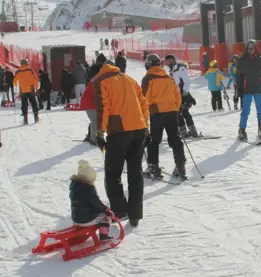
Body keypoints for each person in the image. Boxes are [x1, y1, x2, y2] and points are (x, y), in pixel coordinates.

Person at [93, 60, 149, 227]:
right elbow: (144, 104)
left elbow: (103, 108)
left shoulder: (101, 81)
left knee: (112, 173)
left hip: (119, 131)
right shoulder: (130, 79)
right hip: (138, 129)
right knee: (135, 172)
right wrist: (146, 126)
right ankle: (135, 214)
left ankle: (119, 210)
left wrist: (99, 132)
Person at [141, 54, 187, 181]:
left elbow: (143, 98)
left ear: (148, 65)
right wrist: (175, 108)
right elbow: (177, 95)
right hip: (172, 111)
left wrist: (145, 113)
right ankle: (180, 165)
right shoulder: (168, 78)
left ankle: (153, 167)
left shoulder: (148, 78)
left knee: (154, 141)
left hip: (157, 112)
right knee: (174, 139)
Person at [70, 160, 113, 241]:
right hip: (85, 220)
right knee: (105, 218)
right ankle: (104, 236)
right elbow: (96, 203)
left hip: (76, 219)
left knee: (94, 213)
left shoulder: (75, 186)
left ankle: (81, 234)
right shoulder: (88, 189)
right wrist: (106, 210)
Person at [236, 40, 261, 141]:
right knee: (246, 111)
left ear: (255, 48)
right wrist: (239, 90)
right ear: (246, 49)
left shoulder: (259, 59)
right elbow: (239, 77)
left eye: (252, 48)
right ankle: (242, 130)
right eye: (249, 48)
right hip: (247, 89)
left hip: (258, 87)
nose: (251, 50)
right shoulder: (242, 60)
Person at [164, 55, 198, 138]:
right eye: (168, 62)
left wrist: (186, 93)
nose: (169, 63)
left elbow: (186, 81)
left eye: (171, 61)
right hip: (175, 94)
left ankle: (193, 130)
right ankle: (183, 131)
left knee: (185, 111)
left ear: (174, 60)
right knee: (178, 113)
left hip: (182, 93)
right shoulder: (172, 71)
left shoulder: (180, 68)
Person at [14, 59, 40, 124]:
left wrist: (17, 90)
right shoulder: (30, 70)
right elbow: (35, 79)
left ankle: (25, 119)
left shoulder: (18, 71)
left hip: (23, 90)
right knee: (34, 103)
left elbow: (14, 82)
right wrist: (36, 88)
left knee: (24, 104)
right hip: (30, 89)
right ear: (27, 63)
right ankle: (36, 117)